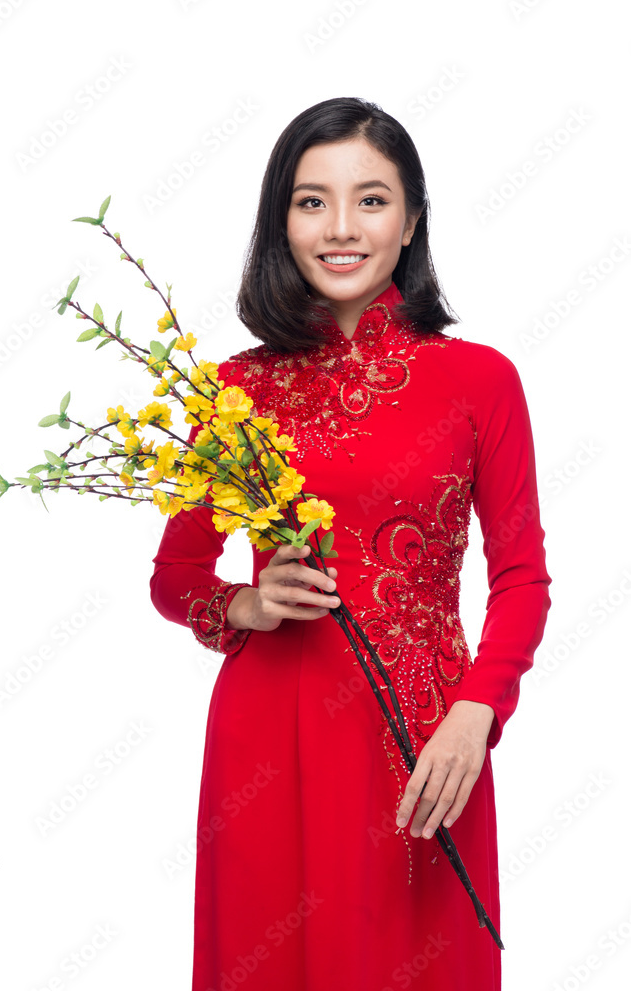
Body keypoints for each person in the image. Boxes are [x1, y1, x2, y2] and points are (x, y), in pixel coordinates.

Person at [149, 96, 551, 991]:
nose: (341, 227)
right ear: (279, 221)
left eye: (370, 200)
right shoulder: (232, 390)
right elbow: (176, 575)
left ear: (411, 220)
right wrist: (243, 604)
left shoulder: (479, 380)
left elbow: (521, 576)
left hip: (424, 744)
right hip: (268, 732)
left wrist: (475, 714)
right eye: (310, 201)